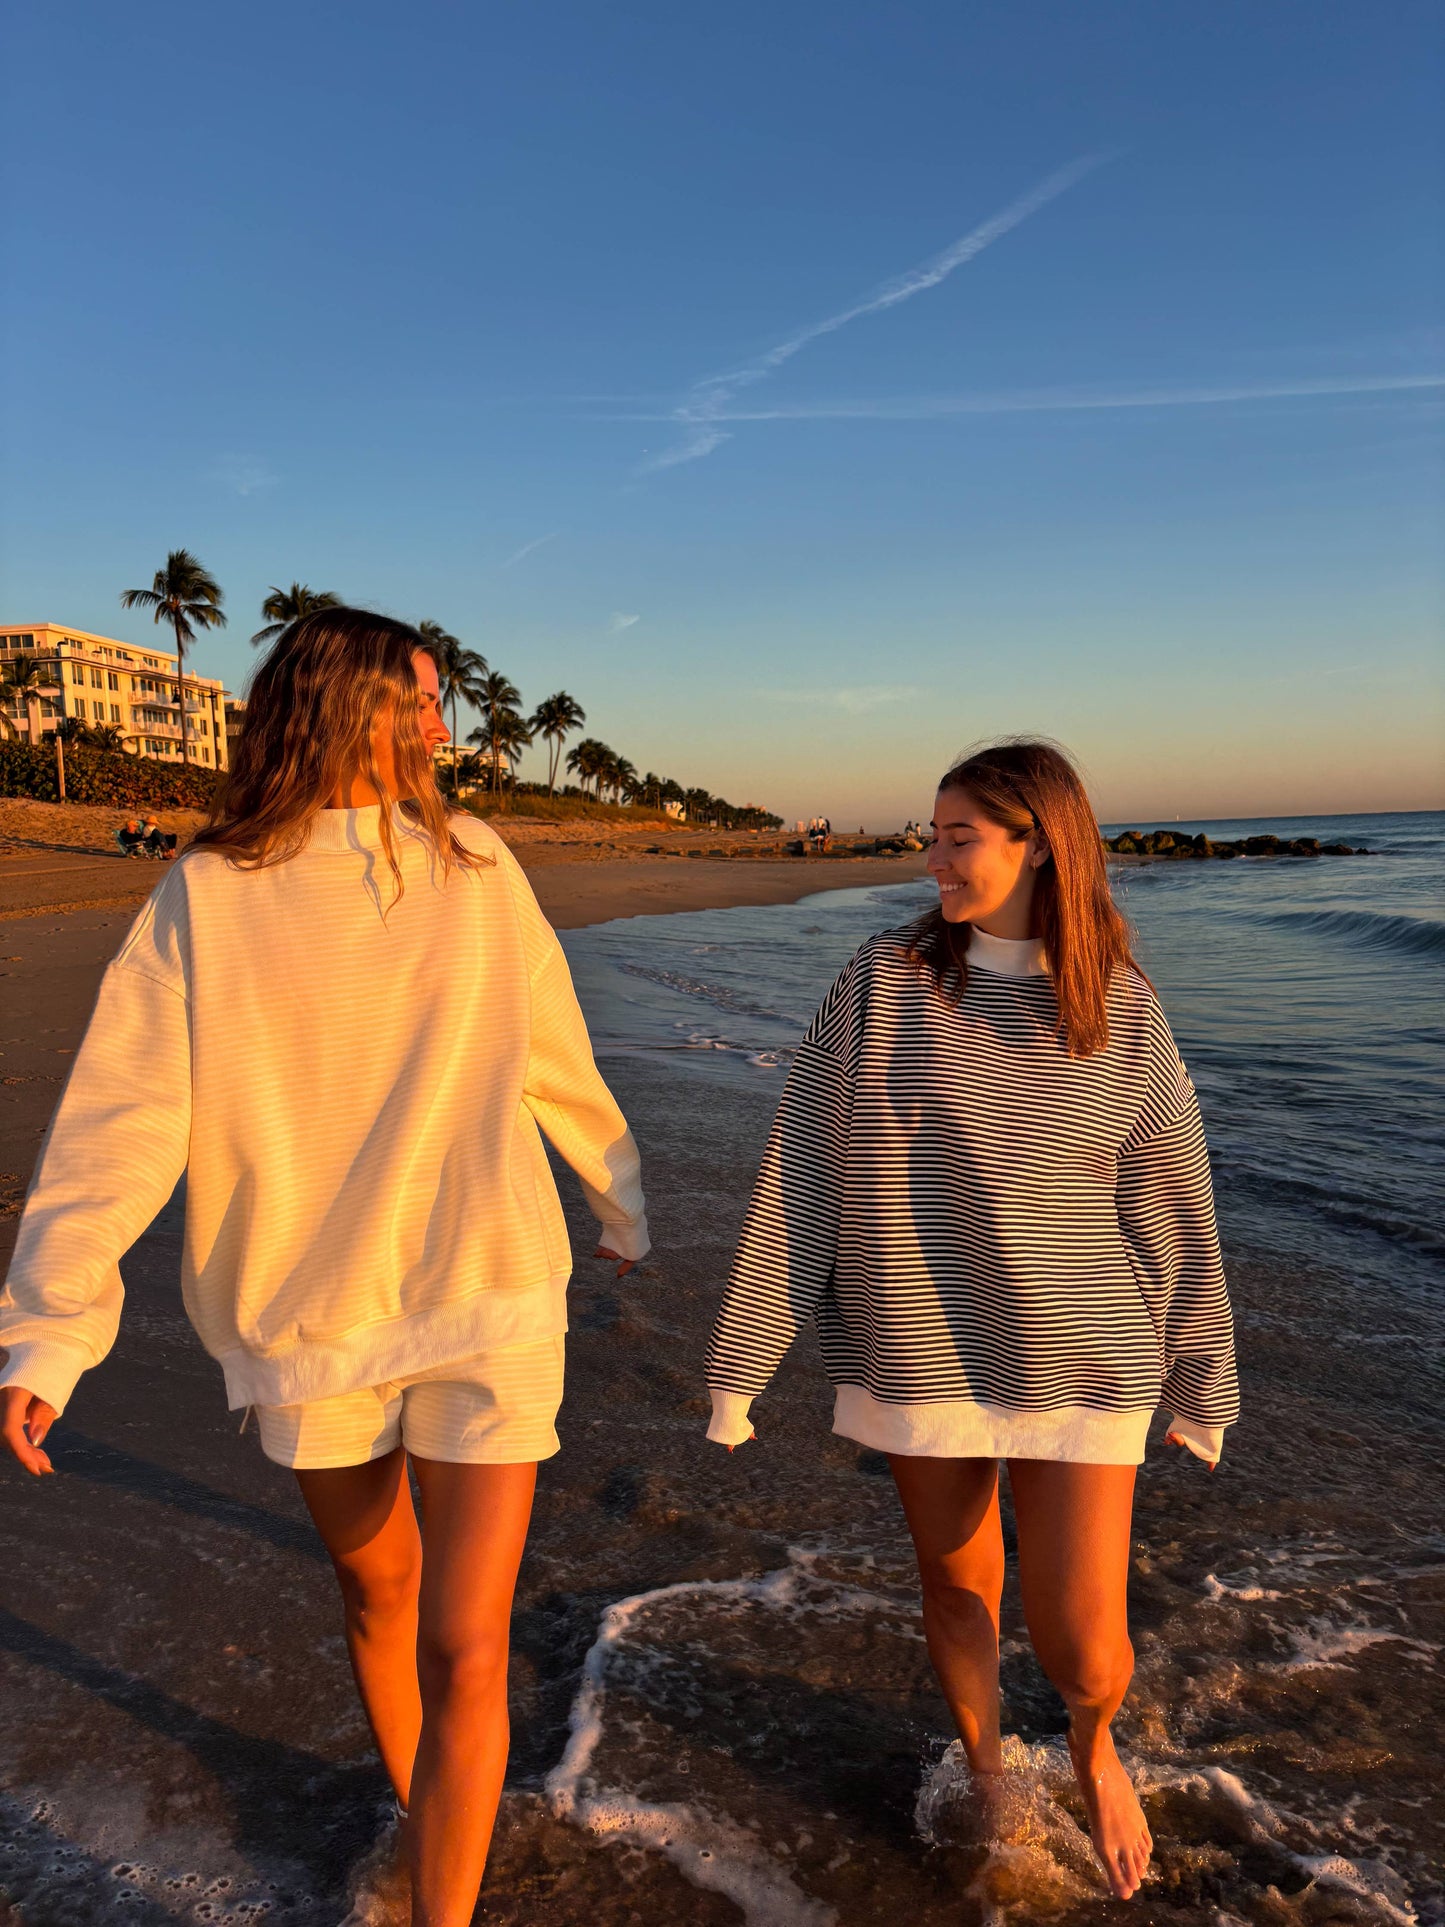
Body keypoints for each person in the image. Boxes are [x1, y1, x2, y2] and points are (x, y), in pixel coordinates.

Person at [0, 608, 650, 1927]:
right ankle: (432, 1809)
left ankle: (444, 1899)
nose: (437, 723)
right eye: (415, 697)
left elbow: (550, 1047)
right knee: (377, 1585)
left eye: (440, 701)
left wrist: (615, 1190)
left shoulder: (473, 861)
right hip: (310, 1315)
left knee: (470, 1643)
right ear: (334, 702)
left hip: (488, 1290)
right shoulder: (213, 890)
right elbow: (125, 1112)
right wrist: (50, 1327)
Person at [704, 739, 1237, 1902]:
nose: (930, 856)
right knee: (956, 1586)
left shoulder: (1120, 1008)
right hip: (919, 1340)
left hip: (1085, 1355)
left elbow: (1170, 1196)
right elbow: (802, 1162)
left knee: (1084, 1640)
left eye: (957, 836)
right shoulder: (883, 979)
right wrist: (743, 1356)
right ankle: (990, 1768)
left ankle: (1094, 1747)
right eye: (931, 833)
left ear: (1036, 842)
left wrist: (1201, 1377)